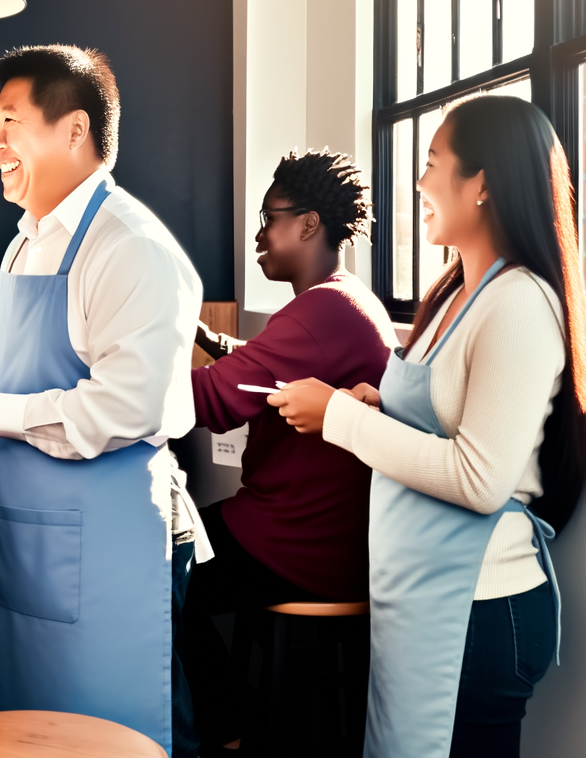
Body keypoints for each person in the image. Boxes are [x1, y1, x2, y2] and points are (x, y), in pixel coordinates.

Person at [272, 96, 586, 758]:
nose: (419, 182)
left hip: (479, 609)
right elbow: (445, 418)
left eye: (432, 163)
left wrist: (339, 418)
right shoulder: (456, 293)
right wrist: (378, 405)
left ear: (482, 183)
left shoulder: (519, 303)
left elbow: (480, 479)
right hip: (426, 601)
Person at [0, 45, 208, 756]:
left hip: (109, 552)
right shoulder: (25, 242)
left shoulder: (129, 245)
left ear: (75, 130)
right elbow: (45, 370)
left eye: (11, 124)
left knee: (109, 733)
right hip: (23, 546)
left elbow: (128, 406)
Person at [183, 149, 396, 753]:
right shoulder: (346, 299)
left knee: (153, 565)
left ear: (308, 224)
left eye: (268, 219)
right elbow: (269, 365)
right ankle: (230, 719)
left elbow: (214, 403)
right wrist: (208, 337)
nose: (259, 235)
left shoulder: (321, 312)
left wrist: (115, 378)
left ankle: (226, 731)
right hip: (333, 536)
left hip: (297, 542)